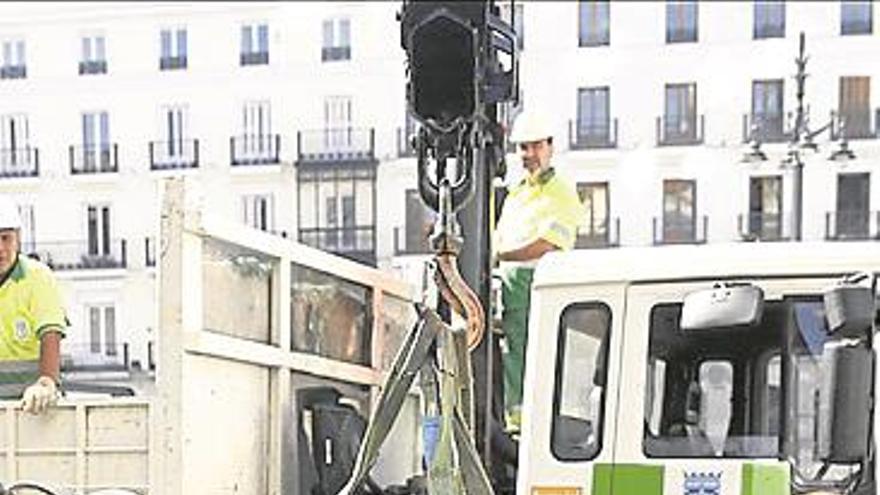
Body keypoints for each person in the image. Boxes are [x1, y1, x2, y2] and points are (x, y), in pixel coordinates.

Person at [494, 111, 584, 431]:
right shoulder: (517, 192)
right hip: (511, 287)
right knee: (513, 354)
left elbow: (549, 242)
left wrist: (500, 255)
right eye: (523, 148)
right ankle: (514, 418)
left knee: (534, 355)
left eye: (535, 147)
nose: (528, 155)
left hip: (538, 283)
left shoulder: (560, 191)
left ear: (549, 147)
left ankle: (526, 423)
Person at [0, 196, 66, 414]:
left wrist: (46, 382)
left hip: (33, 411)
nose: (0, 248)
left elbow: (51, 332)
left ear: (18, 239)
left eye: (5, 238)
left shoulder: (37, 277)